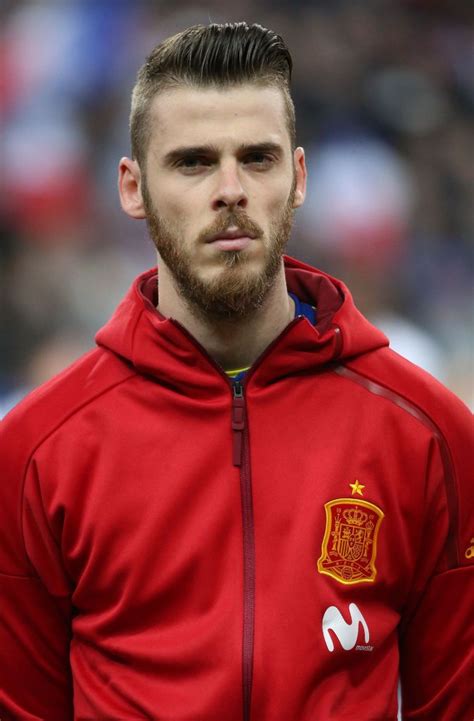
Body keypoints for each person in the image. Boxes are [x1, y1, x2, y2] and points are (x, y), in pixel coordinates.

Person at [0, 22, 472, 721]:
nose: (231, 189)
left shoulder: (431, 432)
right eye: (193, 162)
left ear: (299, 176)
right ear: (132, 187)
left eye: (257, 158)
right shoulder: (36, 449)